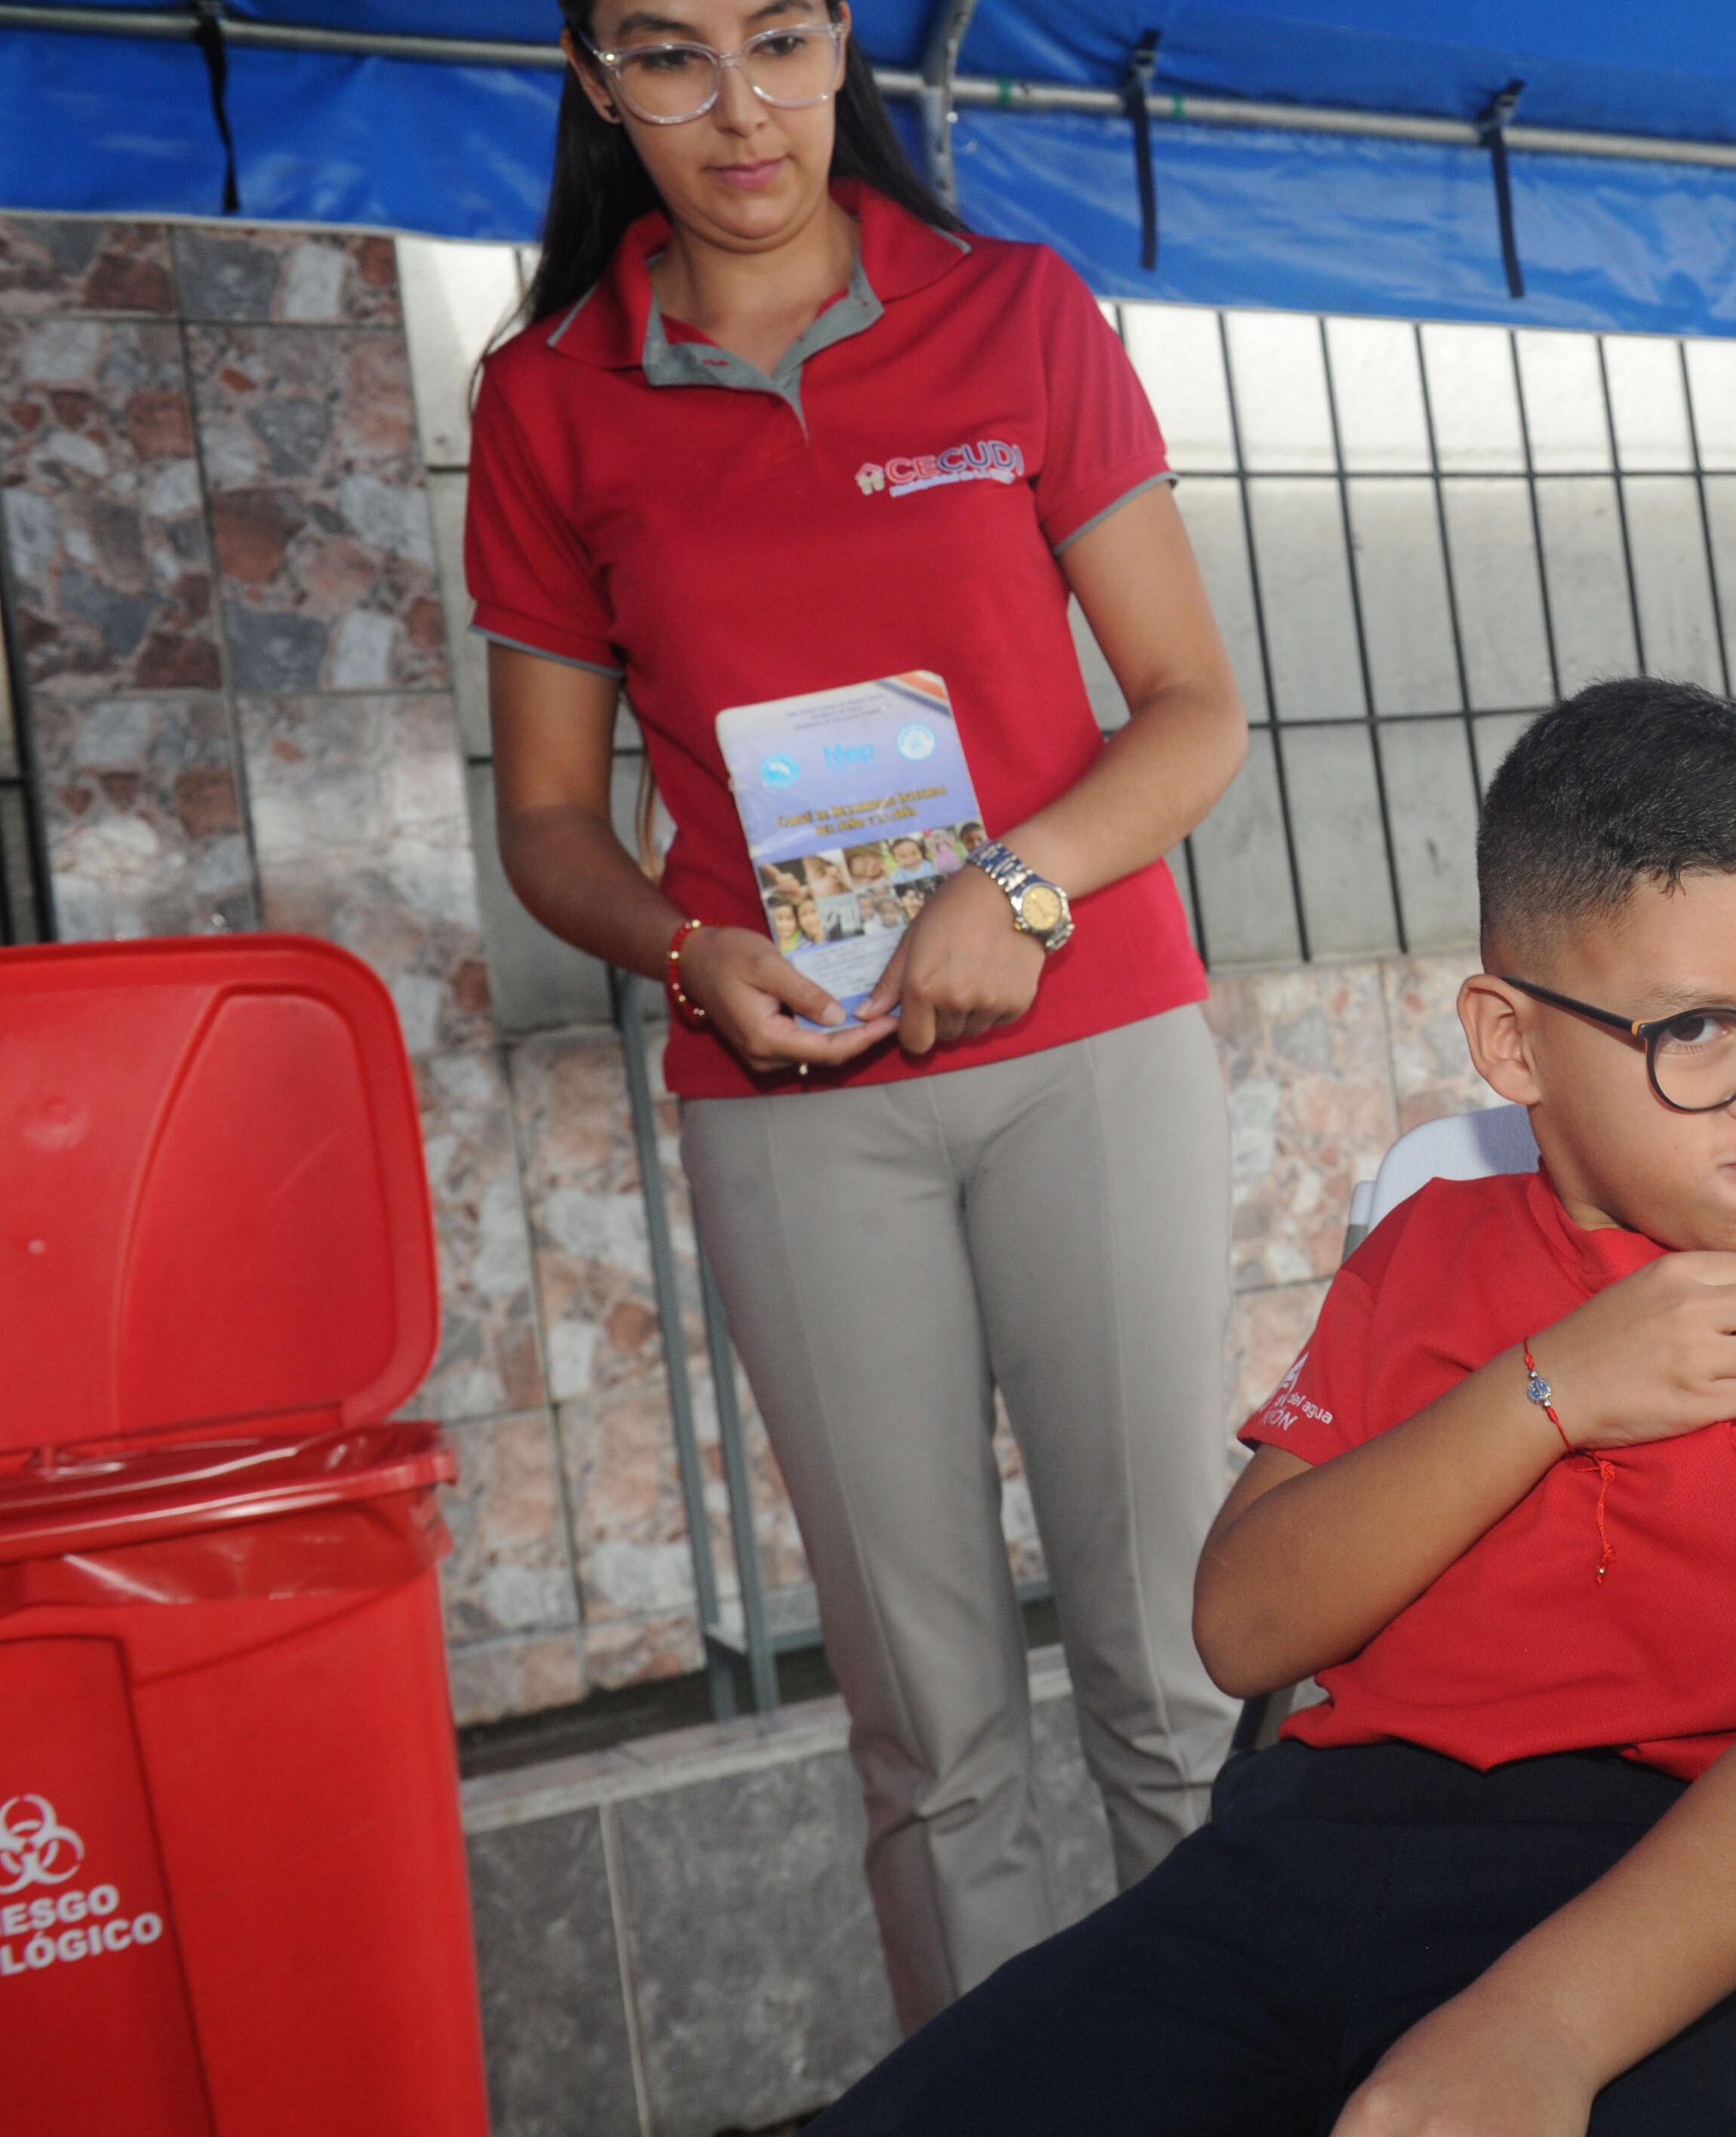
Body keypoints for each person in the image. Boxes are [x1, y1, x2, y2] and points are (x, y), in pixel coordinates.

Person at [813, 681, 1736, 2135]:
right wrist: (1547, 1393)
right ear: (1512, 1044)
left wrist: (1540, 2030)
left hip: (1706, 1905)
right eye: (1700, 1031)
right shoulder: (1424, 1250)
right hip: (1318, 1864)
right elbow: (1248, 1625)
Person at [467, 0, 1251, 2034]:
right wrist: (678, 948)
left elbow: (1191, 709)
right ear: (593, 80)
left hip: (1090, 1053)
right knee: (926, 1720)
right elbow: (549, 819)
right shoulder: (550, 397)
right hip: (787, 1094)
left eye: (786, 39)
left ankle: (1235, 2082)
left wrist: (1027, 880)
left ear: (845, 55)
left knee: (1172, 1667)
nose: (740, 107)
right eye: (668, 55)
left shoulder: (1016, 315)